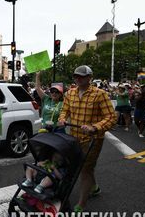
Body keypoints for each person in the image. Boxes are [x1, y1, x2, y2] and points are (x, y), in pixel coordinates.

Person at [58, 65, 116, 213]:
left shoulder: (100, 94)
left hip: (93, 139)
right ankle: (94, 188)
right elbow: (64, 110)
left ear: (90, 77)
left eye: (81, 76)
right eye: (76, 76)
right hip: (73, 137)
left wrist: (95, 127)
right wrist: (63, 119)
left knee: (85, 170)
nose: (77, 78)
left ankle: (81, 205)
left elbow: (111, 117)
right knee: (86, 168)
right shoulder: (70, 93)